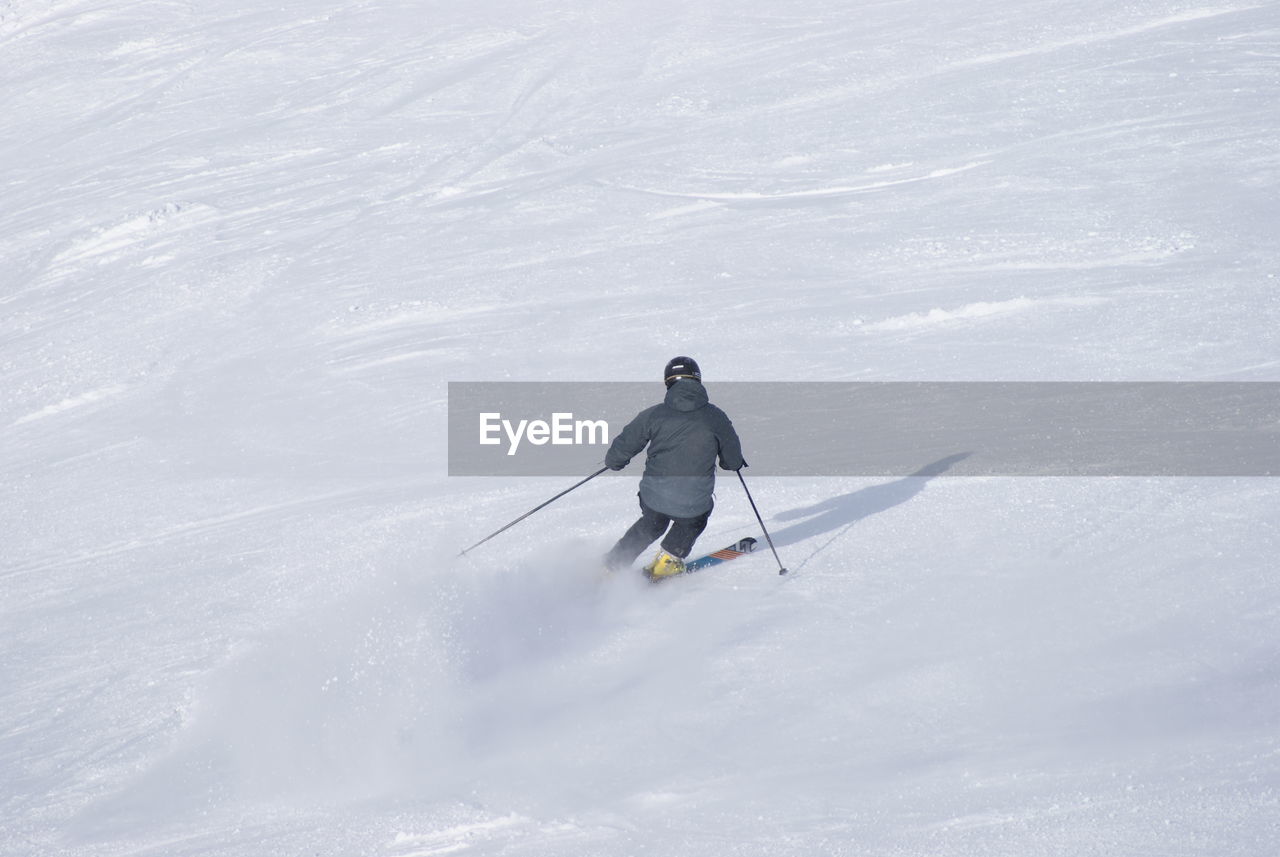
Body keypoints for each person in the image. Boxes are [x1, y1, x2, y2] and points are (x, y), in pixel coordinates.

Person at [603, 356, 745, 577]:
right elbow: (732, 462)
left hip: (653, 496)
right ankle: (667, 562)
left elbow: (619, 453)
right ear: (697, 381)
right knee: (695, 519)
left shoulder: (653, 414)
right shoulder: (716, 417)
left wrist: (616, 461)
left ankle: (611, 566)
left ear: (668, 383)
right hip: (693, 501)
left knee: (652, 523)